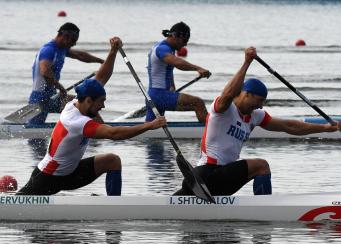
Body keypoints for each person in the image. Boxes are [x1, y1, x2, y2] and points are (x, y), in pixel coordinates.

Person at [175, 47, 341, 196]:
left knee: (180, 200)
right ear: (246, 94)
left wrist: (325, 128)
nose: (260, 106)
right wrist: (247, 62)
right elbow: (228, 94)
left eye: (263, 102)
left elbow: (290, 126)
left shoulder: (255, 115)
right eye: (259, 100)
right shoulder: (224, 108)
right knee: (261, 166)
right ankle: (264, 207)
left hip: (220, 179)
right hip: (205, 175)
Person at [17, 37, 166, 196]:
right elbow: (114, 134)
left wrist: (113, 51)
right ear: (88, 101)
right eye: (101, 102)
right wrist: (149, 125)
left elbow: (101, 77)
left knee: (112, 161)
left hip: (70, 174)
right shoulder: (77, 122)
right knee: (14, 205)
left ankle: (113, 206)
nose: (103, 106)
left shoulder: (77, 102)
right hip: (47, 178)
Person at [28, 22, 105, 124]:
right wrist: (61, 88)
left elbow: (80, 55)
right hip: (39, 98)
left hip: (52, 96)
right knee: (34, 137)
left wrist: (102, 62)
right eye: (73, 40)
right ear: (64, 36)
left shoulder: (62, 49)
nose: (74, 44)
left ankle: (101, 129)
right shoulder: (49, 50)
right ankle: (100, 131)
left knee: (85, 104)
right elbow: (45, 71)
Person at [146, 21, 211, 123]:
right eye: (184, 40)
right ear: (175, 36)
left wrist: (172, 86)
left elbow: (167, 69)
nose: (185, 44)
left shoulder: (167, 48)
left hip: (154, 96)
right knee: (198, 103)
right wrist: (198, 68)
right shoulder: (162, 49)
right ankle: (210, 133)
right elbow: (177, 63)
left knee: (151, 128)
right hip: (160, 95)